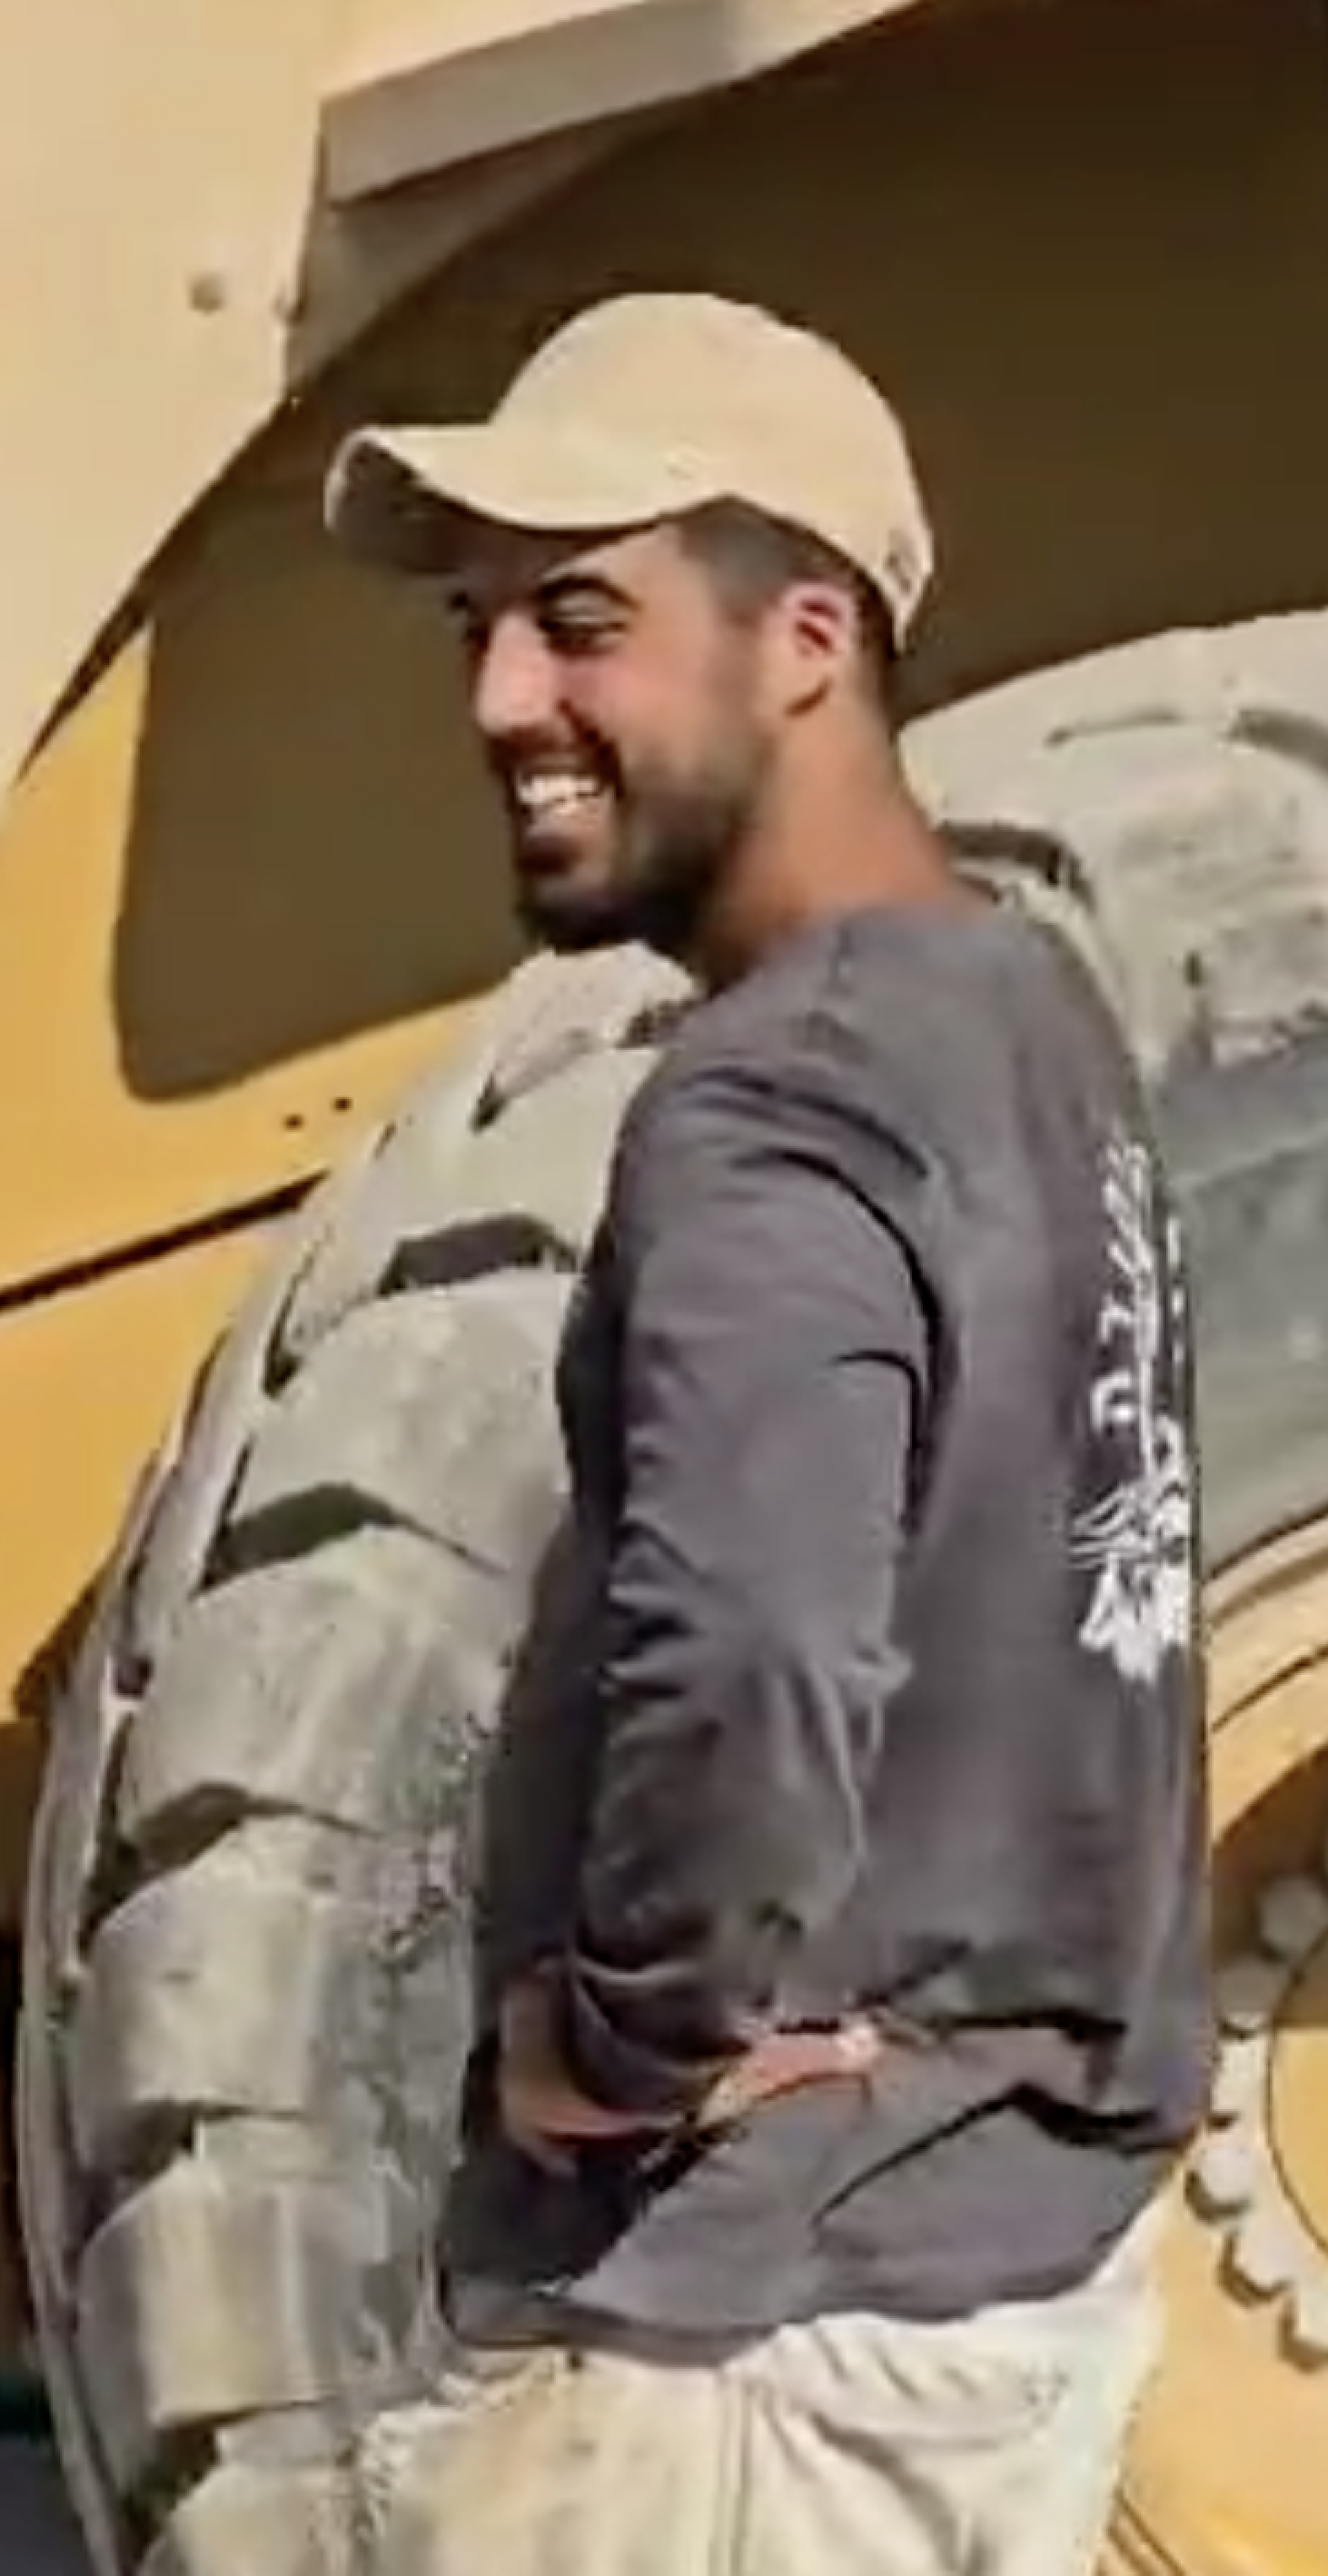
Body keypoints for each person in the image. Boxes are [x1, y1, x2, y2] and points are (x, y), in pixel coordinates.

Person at [317, 292, 1214, 2571]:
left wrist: (621, 2040)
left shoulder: (777, 1097)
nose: (503, 698)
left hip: (760, 2334)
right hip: (990, 2250)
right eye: (479, 628)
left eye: (581, 620)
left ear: (805, 635)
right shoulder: (1025, 1016)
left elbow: (745, 1657)